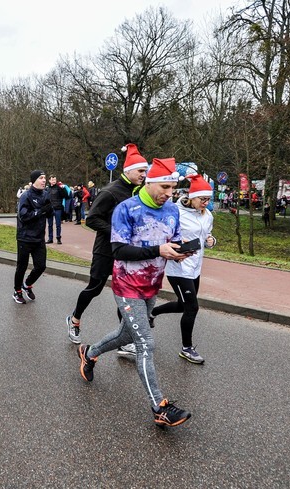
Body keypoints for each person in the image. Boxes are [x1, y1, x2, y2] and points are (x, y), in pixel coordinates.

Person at [76, 157, 193, 427]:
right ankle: (160, 407)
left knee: (126, 334)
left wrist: (179, 250)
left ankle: (89, 353)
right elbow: (119, 251)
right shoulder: (126, 209)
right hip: (126, 285)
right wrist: (158, 250)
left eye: (173, 188)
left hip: (152, 284)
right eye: (164, 187)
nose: (169, 193)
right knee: (145, 343)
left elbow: (173, 240)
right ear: (149, 182)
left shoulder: (172, 210)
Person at [65, 143, 148, 357]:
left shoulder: (139, 193)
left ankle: (123, 340)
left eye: (145, 171)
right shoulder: (110, 192)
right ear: (128, 170)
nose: (144, 175)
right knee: (95, 288)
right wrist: (118, 232)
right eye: (141, 170)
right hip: (105, 250)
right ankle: (74, 319)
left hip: (125, 252)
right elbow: (92, 219)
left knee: (125, 294)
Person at [149, 174, 216, 364]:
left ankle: (152, 313)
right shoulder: (176, 212)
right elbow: (162, 234)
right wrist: (175, 245)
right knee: (192, 307)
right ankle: (187, 349)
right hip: (177, 267)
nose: (206, 203)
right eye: (202, 199)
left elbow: (207, 235)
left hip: (195, 267)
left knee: (182, 305)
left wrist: (211, 240)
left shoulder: (207, 215)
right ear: (192, 197)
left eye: (208, 199)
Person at [13, 169, 51, 304]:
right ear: (34, 180)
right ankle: (17, 291)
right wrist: (40, 211)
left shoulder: (45, 194)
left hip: (39, 238)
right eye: (41, 178)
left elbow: (49, 213)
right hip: (25, 237)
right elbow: (23, 216)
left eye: (45, 178)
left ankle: (27, 284)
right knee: (22, 267)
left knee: (41, 266)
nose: (44, 180)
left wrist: (50, 210)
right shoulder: (26, 196)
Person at [45, 175, 69, 244]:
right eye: (52, 180)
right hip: (50, 209)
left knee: (58, 224)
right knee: (50, 225)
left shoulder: (59, 188)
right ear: (49, 181)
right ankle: (50, 238)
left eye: (55, 179)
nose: (54, 181)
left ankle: (58, 238)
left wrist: (63, 189)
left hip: (58, 208)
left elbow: (66, 196)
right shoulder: (47, 189)